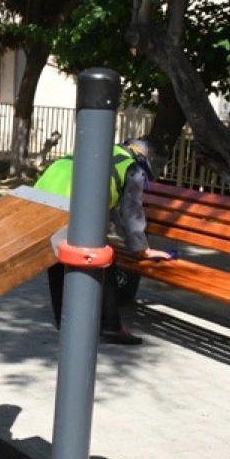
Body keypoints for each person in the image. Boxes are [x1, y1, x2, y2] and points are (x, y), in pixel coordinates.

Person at [34, 137, 173, 345]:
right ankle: (110, 326)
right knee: (105, 260)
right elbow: (131, 213)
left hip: (39, 198)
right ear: (146, 158)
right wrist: (143, 249)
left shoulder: (104, 149)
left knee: (56, 255)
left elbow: (113, 207)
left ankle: (64, 319)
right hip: (73, 205)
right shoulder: (133, 167)